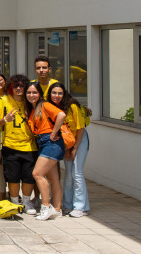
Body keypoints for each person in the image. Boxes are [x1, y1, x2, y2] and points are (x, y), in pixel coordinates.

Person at [0, 75, 38, 214]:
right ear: (10, 87)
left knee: (28, 176)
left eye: (21, 86)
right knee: (13, 176)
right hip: (10, 145)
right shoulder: (4, 100)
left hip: (29, 146)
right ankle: (14, 201)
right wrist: (5, 119)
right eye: (15, 86)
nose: (18, 89)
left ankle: (26, 201)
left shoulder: (30, 101)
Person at [47, 83, 89, 217]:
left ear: (64, 94)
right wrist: (66, 148)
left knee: (77, 172)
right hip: (66, 141)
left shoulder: (72, 106)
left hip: (79, 140)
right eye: (54, 93)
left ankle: (79, 207)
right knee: (69, 173)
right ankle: (68, 205)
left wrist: (75, 148)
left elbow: (80, 128)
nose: (57, 96)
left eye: (60, 93)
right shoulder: (51, 107)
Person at [26, 82, 66, 220]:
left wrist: (54, 133)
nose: (31, 95)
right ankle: (56, 209)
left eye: (34, 93)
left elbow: (61, 115)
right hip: (43, 143)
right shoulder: (33, 109)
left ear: (40, 94)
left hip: (51, 143)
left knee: (37, 174)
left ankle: (45, 206)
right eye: (29, 93)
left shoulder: (44, 105)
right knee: (53, 179)